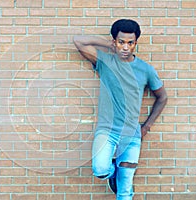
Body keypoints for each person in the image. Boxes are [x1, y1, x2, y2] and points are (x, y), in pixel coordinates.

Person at [73, 19, 168, 199]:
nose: (125, 47)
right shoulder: (105, 61)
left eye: (130, 43)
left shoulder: (145, 69)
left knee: (124, 192)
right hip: (106, 132)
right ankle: (113, 173)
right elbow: (79, 41)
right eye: (121, 42)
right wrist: (108, 45)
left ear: (135, 44)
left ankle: (122, 177)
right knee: (100, 169)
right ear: (114, 41)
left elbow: (162, 97)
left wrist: (146, 127)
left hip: (132, 134)